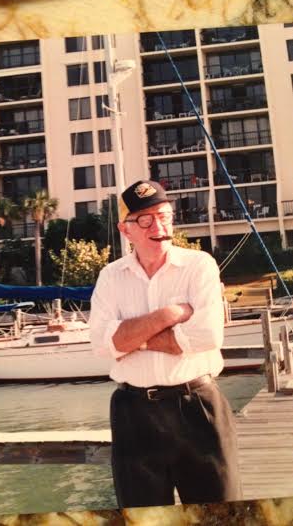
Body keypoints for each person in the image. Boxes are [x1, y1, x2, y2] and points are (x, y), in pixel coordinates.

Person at [89, 179, 241, 508]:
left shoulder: (199, 265)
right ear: (126, 230)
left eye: (165, 216)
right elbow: (102, 344)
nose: (159, 227)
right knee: (143, 517)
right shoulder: (110, 277)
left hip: (197, 408)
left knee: (219, 515)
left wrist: (133, 340)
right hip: (133, 415)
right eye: (146, 220)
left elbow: (207, 335)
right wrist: (169, 314)